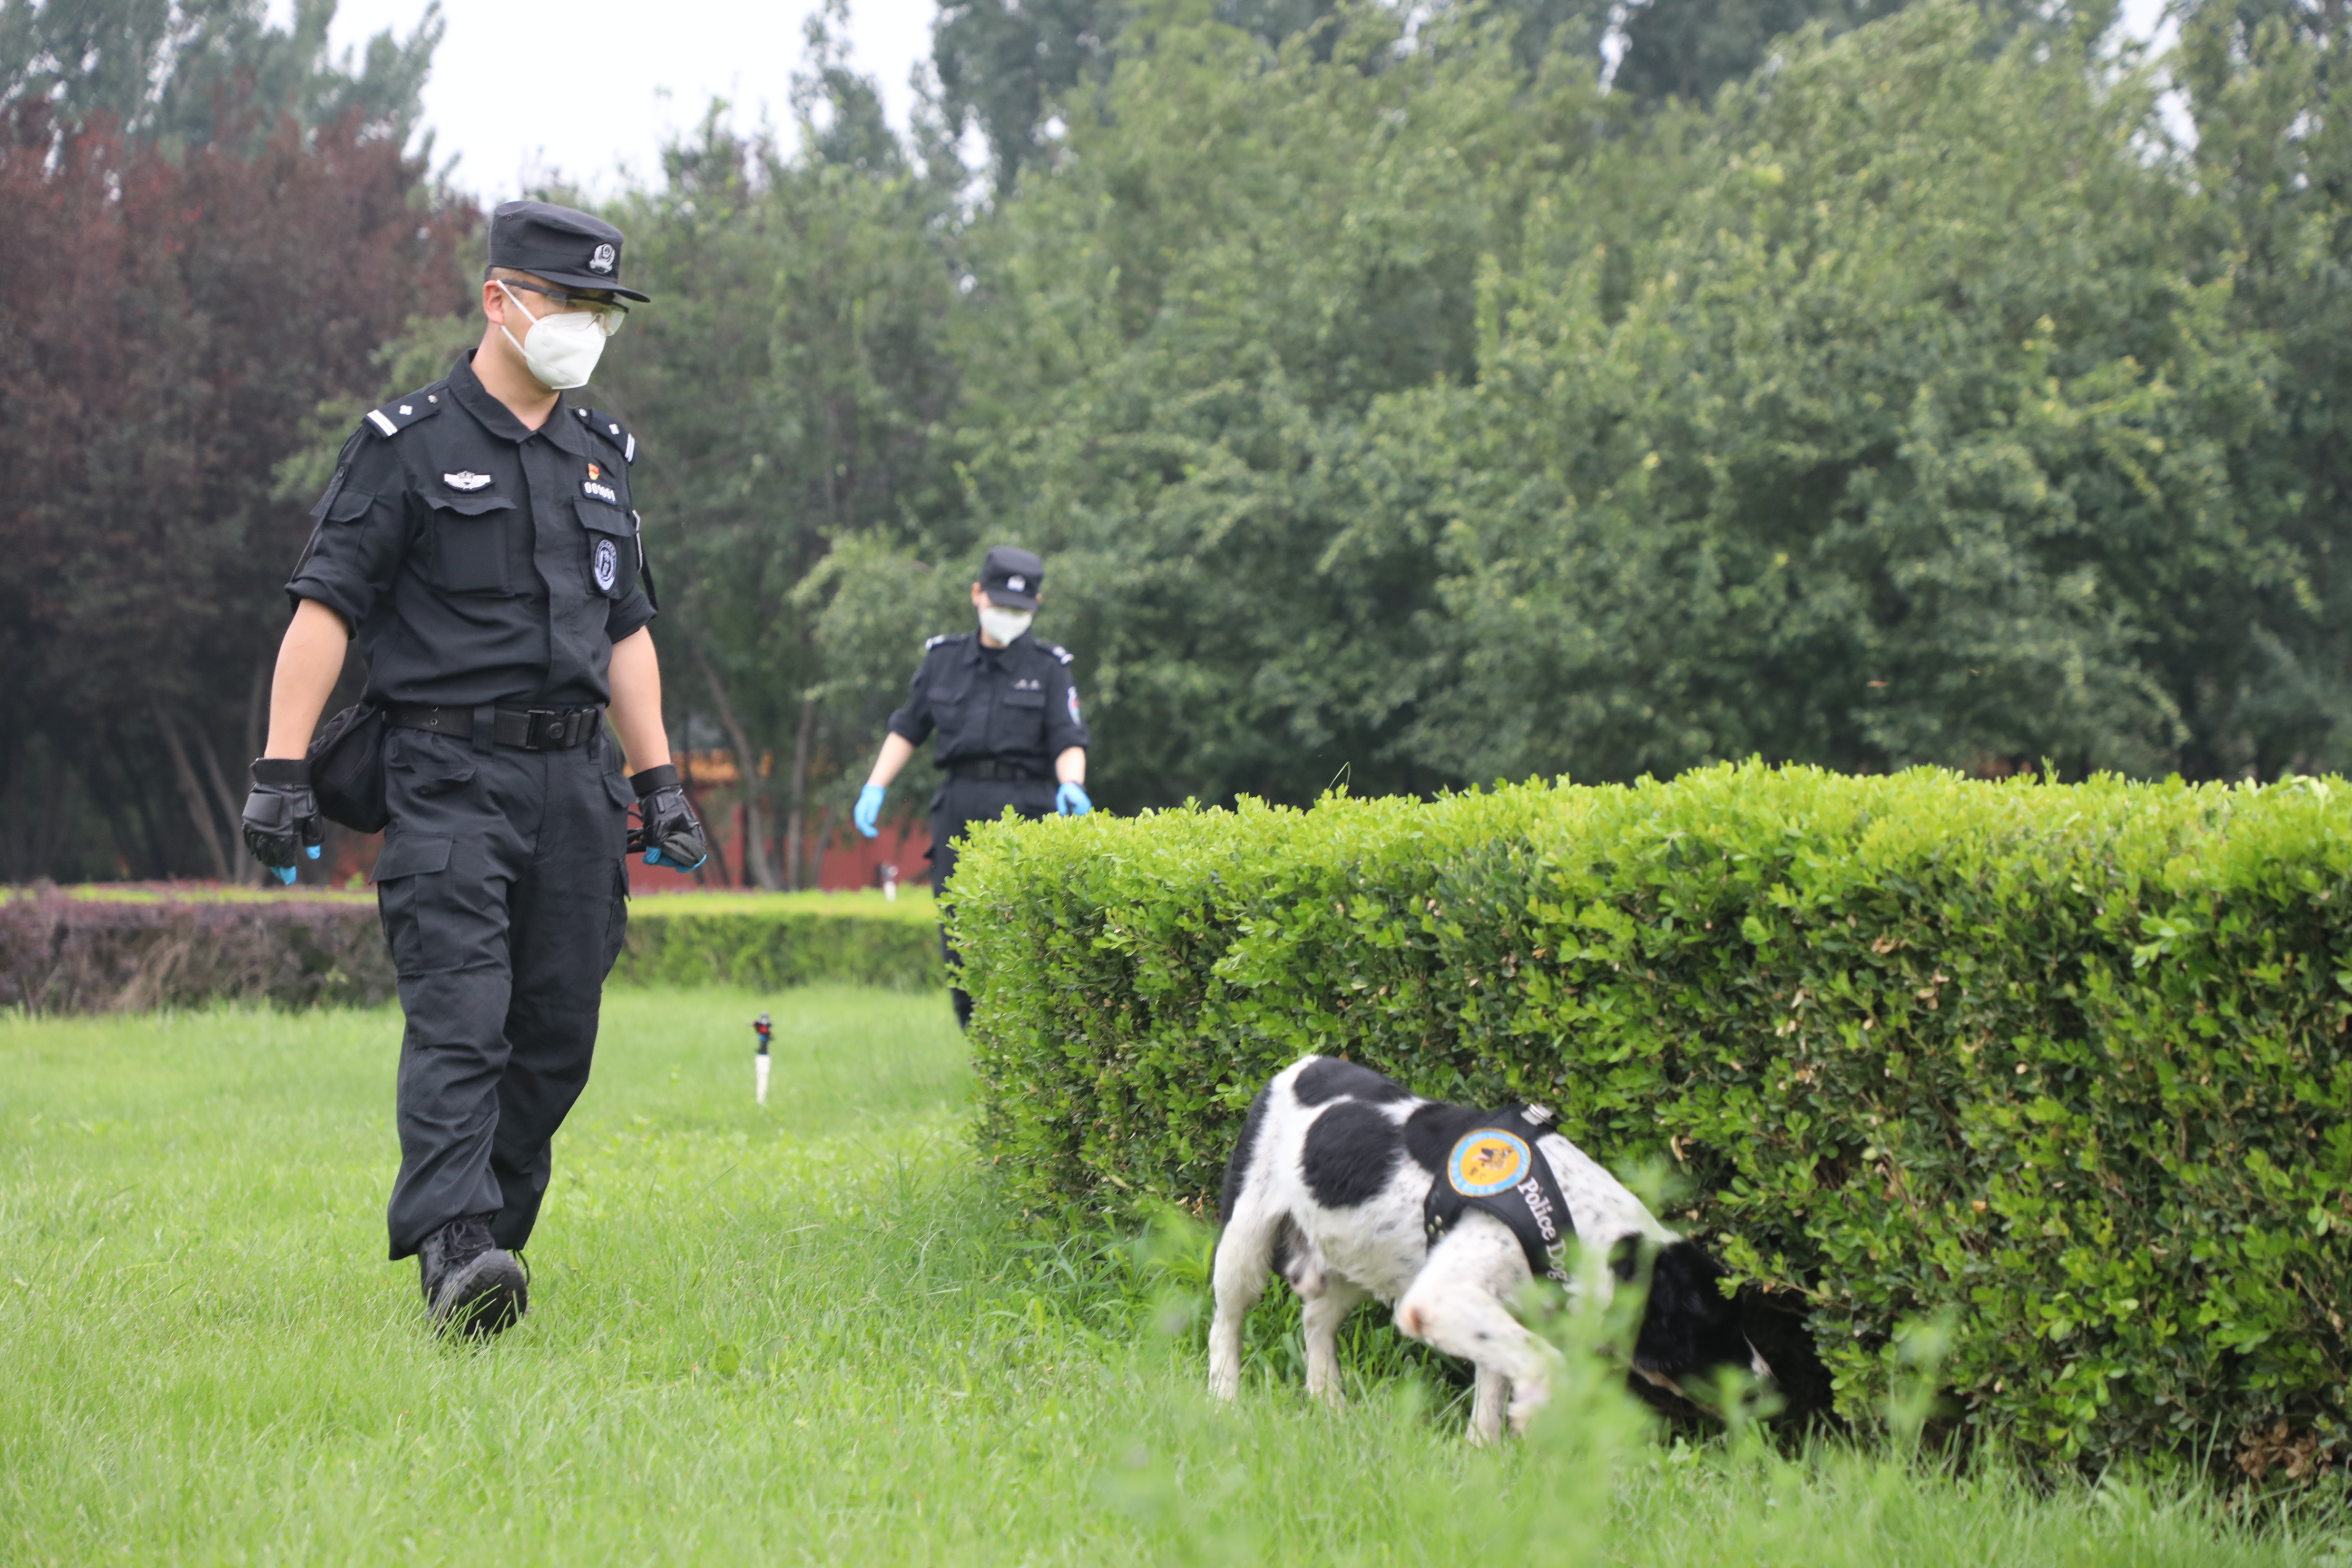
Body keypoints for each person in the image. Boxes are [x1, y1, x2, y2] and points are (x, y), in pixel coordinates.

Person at [239, 200, 707, 1336]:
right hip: (447, 777)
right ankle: (453, 1250)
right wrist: (280, 766)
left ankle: (492, 1236)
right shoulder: (407, 447)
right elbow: (326, 605)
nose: (585, 328)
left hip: (574, 787)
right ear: (500, 301)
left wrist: (659, 781)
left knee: (556, 1033)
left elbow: (628, 631)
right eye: (567, 303)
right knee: (463, 1020)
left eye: (602, 311)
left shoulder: (604, 460)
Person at [853, 546, 1090, 1029]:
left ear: (1037, 606)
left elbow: (1069, 737)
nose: (1009, 617)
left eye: (1020, 610)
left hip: (1029, 808)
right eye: (1001, 604)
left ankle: (1030, 1046)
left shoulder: (1049, 667)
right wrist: (874, 785)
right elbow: (908, 728)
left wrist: (1072, 784)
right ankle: (979, 1042)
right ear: (977, 594)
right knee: (959, 935)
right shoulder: (942, 660)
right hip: (959, 807)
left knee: (1029, 931)